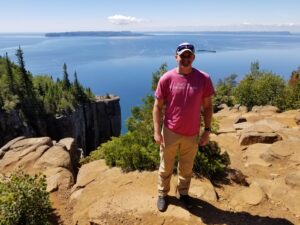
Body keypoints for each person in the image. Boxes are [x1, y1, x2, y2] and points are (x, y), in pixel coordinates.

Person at [152, 42, 215, 212]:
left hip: (192, 133)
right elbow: (157, 107)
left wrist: (207, 131)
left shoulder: (203, 79)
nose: (185, 59)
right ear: (176, 57)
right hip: (170, 132)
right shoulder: (167, 78)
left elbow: (208, 107)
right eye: (182, 55)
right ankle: (163, 194)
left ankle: (183, 193)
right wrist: (157, 132)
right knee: (165, 166)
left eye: (189, 55)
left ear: (193, 57)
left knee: (186, 168)